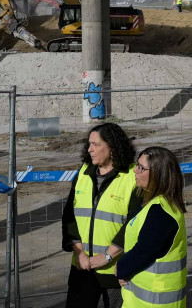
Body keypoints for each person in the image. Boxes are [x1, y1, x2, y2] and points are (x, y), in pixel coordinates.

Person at [62, 123, 141, 308]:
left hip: (115, 271)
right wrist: (79, 251)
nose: (89, 149)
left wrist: (107, 256)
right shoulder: (83, 173)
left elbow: (134, 223)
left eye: (95, 144)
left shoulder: (131, 177)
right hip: (82, 267)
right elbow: (69, 217)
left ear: (112, 146)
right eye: (89, 144)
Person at [117, 147, 187, 308]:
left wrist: (121, 268)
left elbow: (144, 251)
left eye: (141, 167)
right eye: (137, 164)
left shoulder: (160, 213)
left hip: (154, 303)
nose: (135, 170)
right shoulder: (157, 204)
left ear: (158, 174)